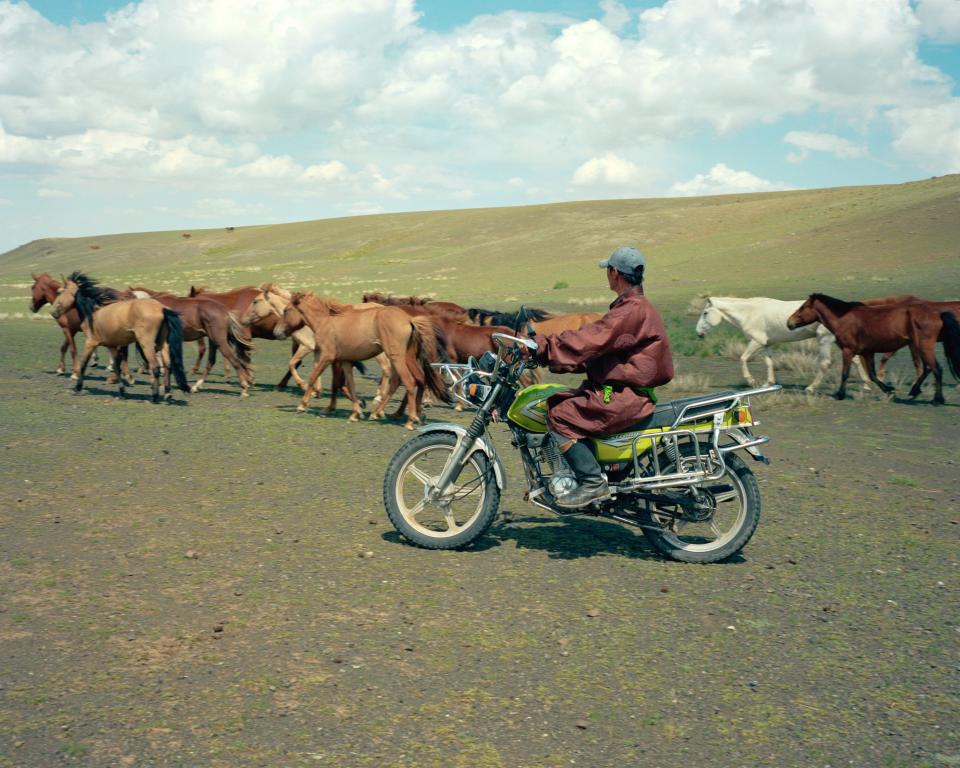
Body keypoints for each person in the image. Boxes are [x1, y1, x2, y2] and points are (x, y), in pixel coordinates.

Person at [533, 246, 674, 508]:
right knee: (567, 400)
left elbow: (590, 338)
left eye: (607, 271)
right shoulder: (635, 307)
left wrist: (542, 347)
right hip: (623, 391)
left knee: (558, 412)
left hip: (620, 395)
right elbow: (600, 352)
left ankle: (592, 482)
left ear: (615, 273)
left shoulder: (630, 311)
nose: (607, 275)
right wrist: (559, 360)